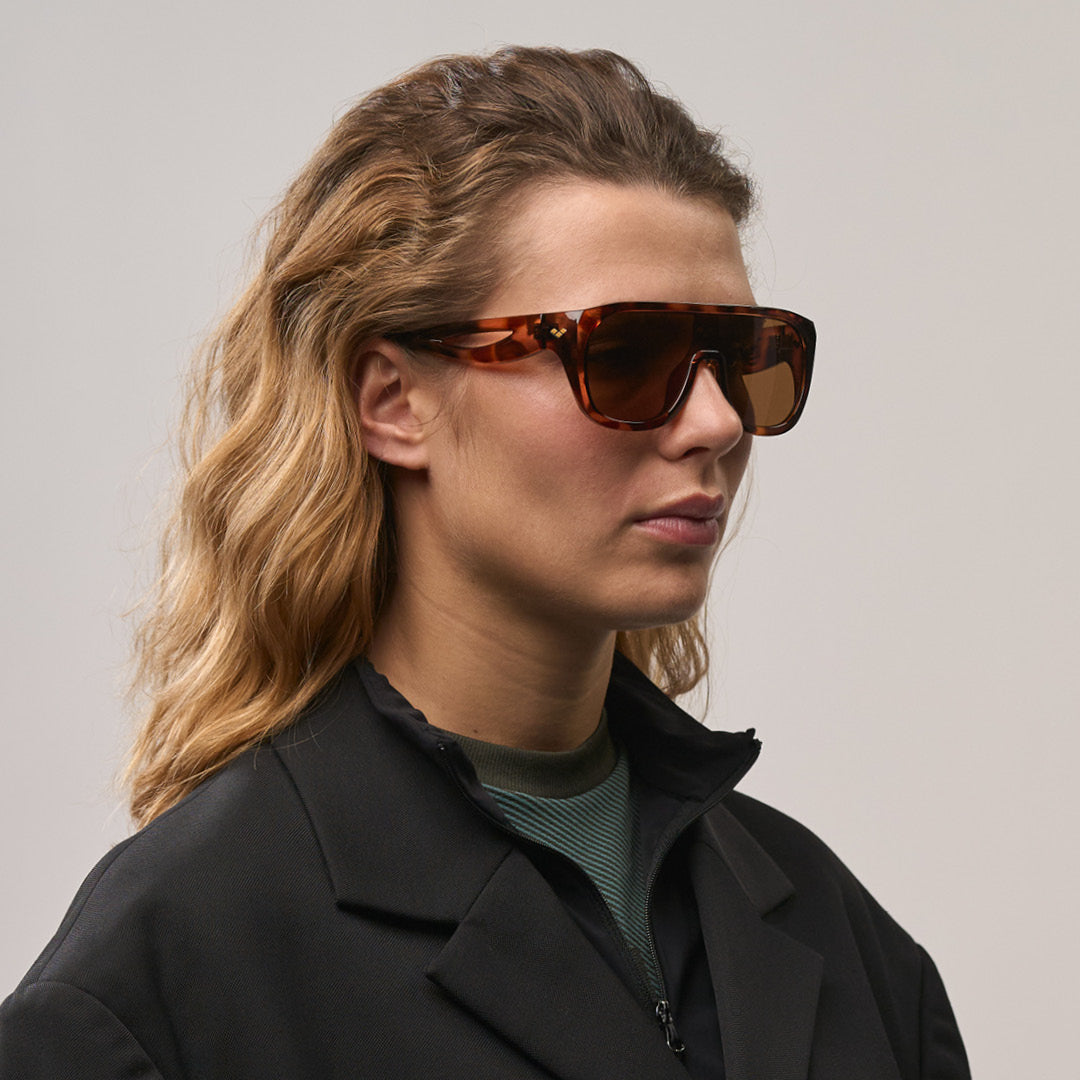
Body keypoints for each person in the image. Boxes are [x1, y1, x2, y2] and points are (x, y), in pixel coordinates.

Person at [0, 46, 970, 1079]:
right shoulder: (163, 990)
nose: (718, 422)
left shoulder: (845, 943)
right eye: (625, 356)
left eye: (742, 359)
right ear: (393, 402)